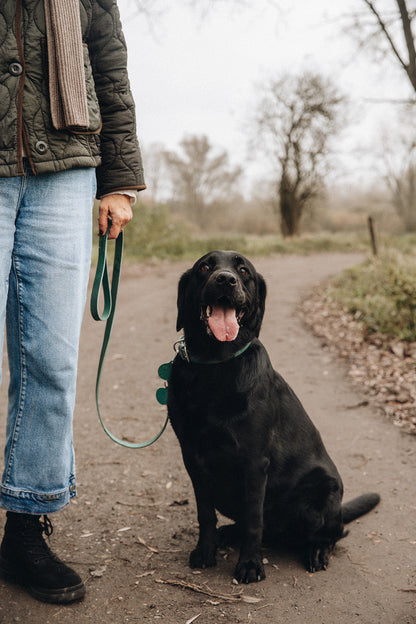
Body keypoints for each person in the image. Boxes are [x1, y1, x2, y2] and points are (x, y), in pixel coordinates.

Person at [0, 0, 145, 604]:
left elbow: (107, 62)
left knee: (52, 364)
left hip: (66, 167)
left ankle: (26, 528)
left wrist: (118, 179)